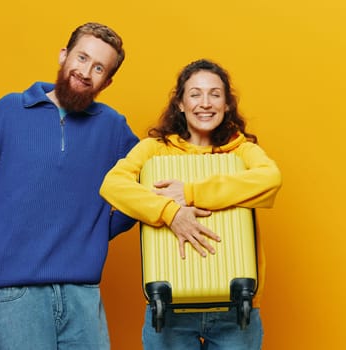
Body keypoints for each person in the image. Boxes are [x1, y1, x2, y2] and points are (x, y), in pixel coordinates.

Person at [0, 22, 139, 350]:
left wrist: (102, 227)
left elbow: (149, 182)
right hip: (16, 297)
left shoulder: (112, 126)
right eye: (81, 58)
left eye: (98, 68)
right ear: (63, 55)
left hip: (83, 296)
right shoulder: (9, 111)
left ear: (106, 81)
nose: (85, 72)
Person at [99, 59, 282, 349]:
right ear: (181, 104)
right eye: (195, 94)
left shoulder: (243, 151)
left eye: (215, 94)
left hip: (235, 310)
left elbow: (270, 178)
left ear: (226, 105)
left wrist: (191, 193)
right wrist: (170, 213)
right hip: (169, 309)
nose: (205, 103)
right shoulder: (153, 151)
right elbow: (112, 185)